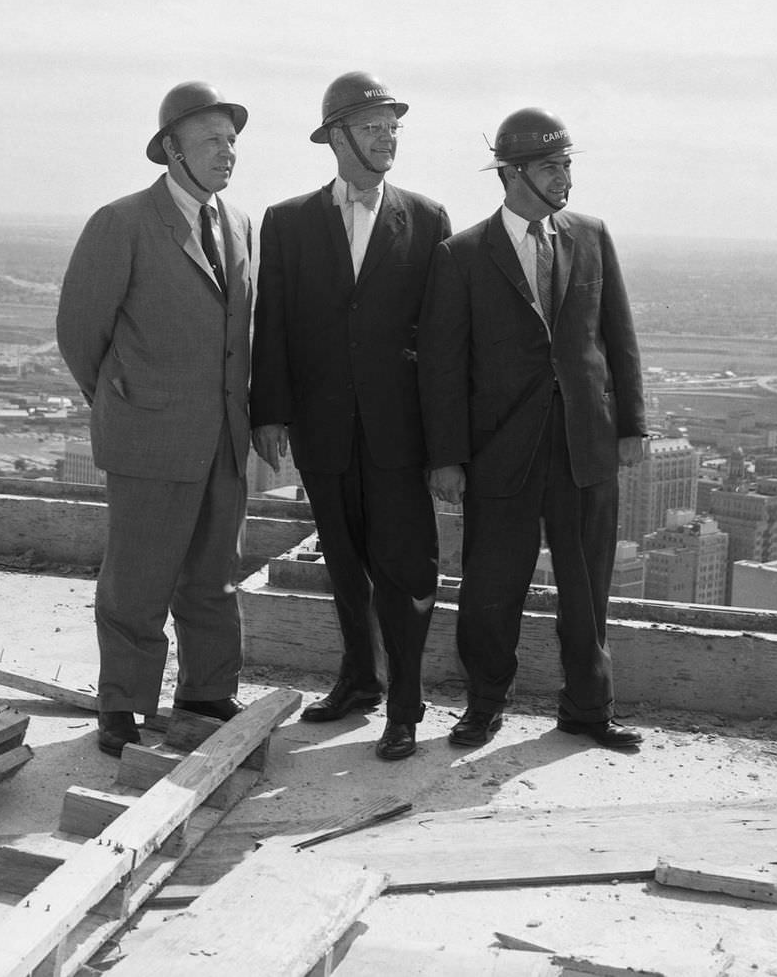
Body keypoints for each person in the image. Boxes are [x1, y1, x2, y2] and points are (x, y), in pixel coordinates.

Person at [418, 108, 648, 751]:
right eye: (553, 166)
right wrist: (447, 458)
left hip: (585, 444)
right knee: (492, 587)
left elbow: (619, 339)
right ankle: (485, 704)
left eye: (569, 164)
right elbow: (443, 368)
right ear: (513, 174)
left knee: (587, 587)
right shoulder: (461, 255)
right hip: (502, 451)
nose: (566, 177)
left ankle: (588, 711)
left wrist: (632, 425)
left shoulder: (592, 235)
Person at [251, 72, 451, 762]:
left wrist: (444, 440)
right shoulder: (286, 221)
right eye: (372, 126)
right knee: (344, 563)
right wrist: (270, 411)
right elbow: (271, 322)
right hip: (324, 427)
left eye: (393, 126)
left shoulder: (427, 219)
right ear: (336, 137)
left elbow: (443, 339)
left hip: (400, 434)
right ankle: (359, 680)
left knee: (406, 570)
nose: (387, 137)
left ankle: (405, 706)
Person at [57, 81, 254, 756]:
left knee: (213, 576)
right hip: (149, 440)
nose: (226, 153)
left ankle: (205, 693)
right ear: (170, 149)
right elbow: (80, 333)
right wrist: (128, 402)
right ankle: (125, 704)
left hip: (223, 442)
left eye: (231, 141)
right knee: (137, 581)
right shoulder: (123, 223)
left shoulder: (240, 226)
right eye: (209, 140)